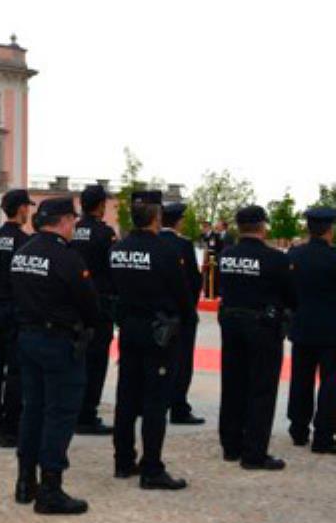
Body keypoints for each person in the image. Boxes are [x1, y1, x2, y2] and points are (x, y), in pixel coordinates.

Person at [10, 196, 100, 515]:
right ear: (62, 220)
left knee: (32, 410)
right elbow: (90, 305)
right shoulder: (67, 258)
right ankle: (50, 488)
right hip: (59, 342)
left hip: (28, 337)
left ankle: (25, 480)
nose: (75, 225)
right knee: (59, 414)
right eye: (72, 220)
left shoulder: (22, 253)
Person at [109, 191, 192, 490]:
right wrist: (185, 321)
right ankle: (152, 468)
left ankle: (122, 460)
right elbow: (182, 294)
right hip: (159, 331)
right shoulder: (167, 251)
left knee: (127, 397)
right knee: (156, 401)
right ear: (157, 217)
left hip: (130, 327)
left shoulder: (119, 248)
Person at [217, 205, 297, 470]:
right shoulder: (275, 258)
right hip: (262, 326)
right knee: (261, 388)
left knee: (233, 383)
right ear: (263, 226)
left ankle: (231, 445)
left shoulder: (227, 255)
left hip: (230, 323)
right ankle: (254, 453)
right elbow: (290, 295)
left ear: (239, 227)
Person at [0, 189, 34, 447]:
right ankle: (10, 427)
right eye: (27, 207)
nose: (29, 212)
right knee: (15, 369)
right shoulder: (25, 242)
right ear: (21, 209)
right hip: (14, 310)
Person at [286, 207, 336, 454]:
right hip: (331, 329)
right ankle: (324, 435)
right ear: (330, 229)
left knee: (301, 380)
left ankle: (298, 429)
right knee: (330, 383)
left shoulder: (295, 255)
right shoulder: (333, 257)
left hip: (302, 325)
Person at [69, 184, 117, 436]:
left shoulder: (73, 230)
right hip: (99, 302)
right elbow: (112, 268)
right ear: (100, 205)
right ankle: (87, 414)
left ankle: (75, 409)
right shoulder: (104, 233)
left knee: (77, 358)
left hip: (73, 302)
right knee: (96, 360)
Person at [160, 202, 206, 425]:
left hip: (156, 312)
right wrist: (190, 308)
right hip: (180, 312)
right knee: (182, 362)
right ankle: (178, 407)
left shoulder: (153, 241)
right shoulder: (183, 245)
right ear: (179, 221)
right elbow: (194, 281)